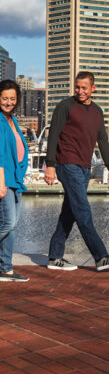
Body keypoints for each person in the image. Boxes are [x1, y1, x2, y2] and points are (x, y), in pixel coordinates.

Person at [44, 71, 109, 271]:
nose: (80, 91)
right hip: (67, 163)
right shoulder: (65, 106)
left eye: (84, 88)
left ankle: (55, 258)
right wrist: (50, 165)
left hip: (83, 167)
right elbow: (53, 135)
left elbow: (103, 141)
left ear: (93, 88)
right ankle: (100, 257)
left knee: (69, 213)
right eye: (77, 87)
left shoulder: (97, 111)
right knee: (83, 210)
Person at [0, 80, 29, 282]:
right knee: (8, 222)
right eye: (4, 98)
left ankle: (5, 268)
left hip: (15, 181)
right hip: (4, 180)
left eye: (12, 98)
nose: (8, 102)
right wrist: (1, 182)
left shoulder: (13, 121)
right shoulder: (0, 121)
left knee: (12, 225)